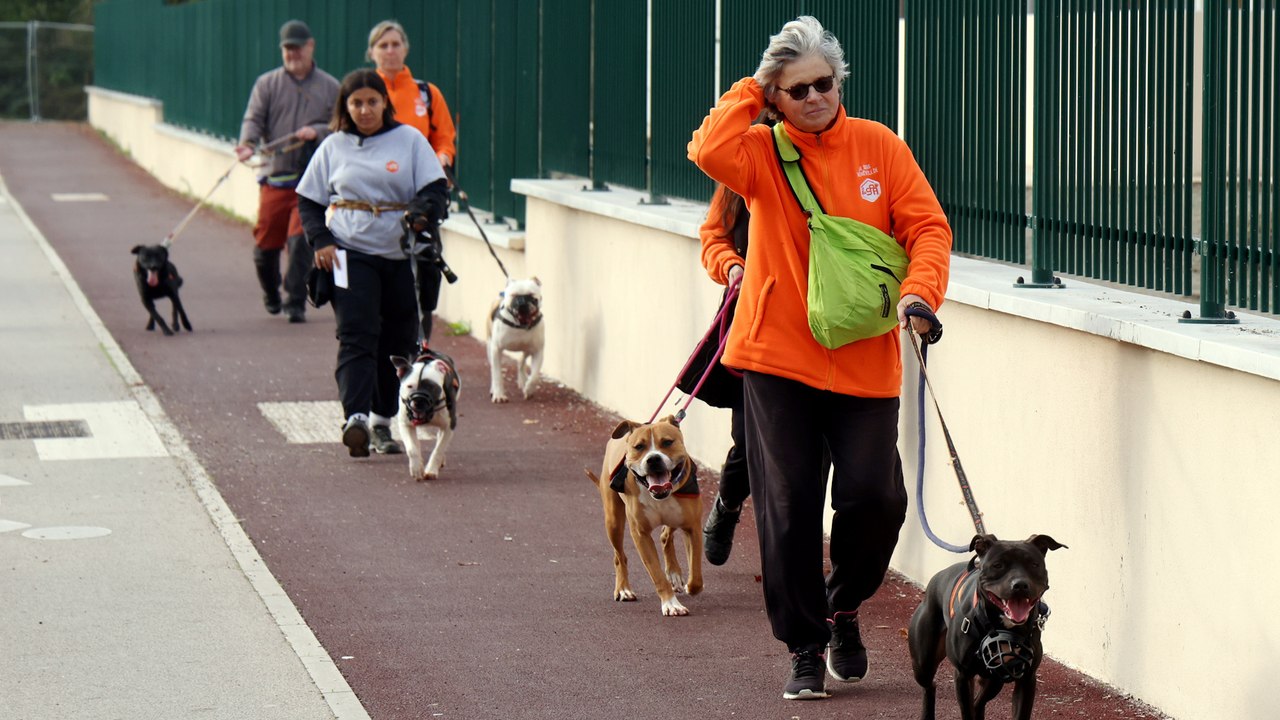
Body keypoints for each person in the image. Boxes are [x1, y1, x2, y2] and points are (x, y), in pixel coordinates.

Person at [688, 16, 952, 701]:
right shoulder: (758, 152)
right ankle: (805, 643)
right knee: (789, 502)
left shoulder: (879, 147)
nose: (814, 97)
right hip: (775, 357)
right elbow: (707, 150)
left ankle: (842, 607)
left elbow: (926, 228)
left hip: (865, 360)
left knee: (876, 495)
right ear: (777, 97)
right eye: (797, 88)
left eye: (824, 84)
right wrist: (754, 87)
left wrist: (920, 296)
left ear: (841, 84)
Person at [296, 69, 450, 458]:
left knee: (399, 340)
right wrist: (322, 240)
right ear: (345, 107)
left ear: (385, 103)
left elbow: (434, 190)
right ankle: (356, 419)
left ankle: (383, 422)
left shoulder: (410, 140)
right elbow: (310, 201)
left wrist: (419, 211)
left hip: (401, 253)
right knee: (356, 333)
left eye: (372, 101)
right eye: (356, 103)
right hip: (350, 252)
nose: (364, 110)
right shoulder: (334, 146)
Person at [235, 19, 339, 324]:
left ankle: (296, 301)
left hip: (311, 182)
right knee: (265, 243)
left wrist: (317, 131)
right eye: (287, 48)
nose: (292, 53)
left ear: (310, 47)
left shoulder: (331, 87)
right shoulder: (266, 84)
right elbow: (253, 119)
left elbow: (338, 128)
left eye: (297, 47)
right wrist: (247, 144)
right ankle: (270, 292)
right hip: (275, 177)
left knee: (300, 241)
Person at [367, 20, 459, 346]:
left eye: (395, 44)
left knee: (426, 266)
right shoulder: (364, 94)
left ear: (405, 48)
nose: (390, 51)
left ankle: (421, 342)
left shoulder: (426, 93)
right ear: (372, 52)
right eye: (383, 45)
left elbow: (445, 139)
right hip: (377, 198)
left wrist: (442, 158)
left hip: (421, 195)